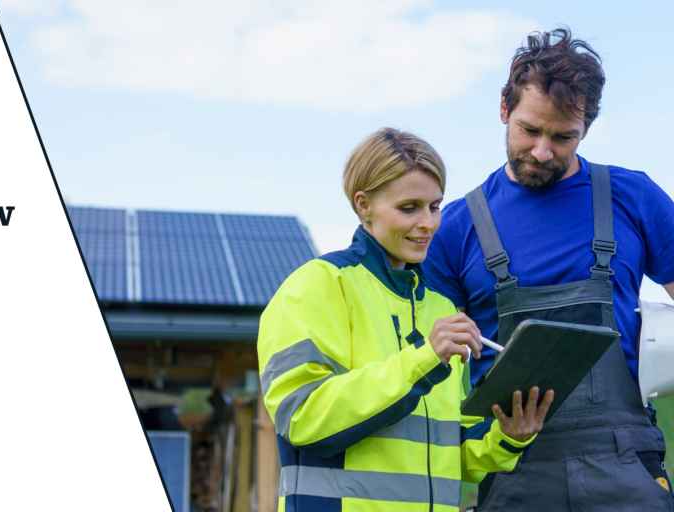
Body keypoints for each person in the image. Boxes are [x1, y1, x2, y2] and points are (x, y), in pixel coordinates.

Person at [424, 28, 674, 511]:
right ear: (504, 108)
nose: (542, 151)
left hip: (625, 463)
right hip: (514, 467)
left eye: (563, 137)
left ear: (587, 127)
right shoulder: (455, 228)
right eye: (529, 130)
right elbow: (428, 359)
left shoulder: (633, 197)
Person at [258, 128, 552, 512]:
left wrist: (508, 437)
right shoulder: (316, 286)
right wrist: (423, 359)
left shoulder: (443, 309)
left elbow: (454, 458)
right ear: (363, 205)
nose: (428, 223)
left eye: (435, 206)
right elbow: (301, 417)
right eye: (409, 207)